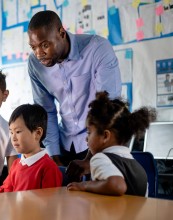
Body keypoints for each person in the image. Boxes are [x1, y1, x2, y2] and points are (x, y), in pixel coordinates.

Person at [27, 10, 122, 182]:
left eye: (45, 45)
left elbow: (108, 107)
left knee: (98, 206)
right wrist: (53, 155)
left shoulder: (97, 49)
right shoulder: (35, 64)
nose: (39, 53)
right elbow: (46, 111)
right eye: (33, 47)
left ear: (61, 33)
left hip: (98, 144)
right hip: (63, 145)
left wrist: (90, 159)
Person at [66, 91, 156, 196]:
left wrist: (84, 185)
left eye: (89, 132)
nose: (86, 139)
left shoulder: (100, 158)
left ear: (105, 136)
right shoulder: (138, 167)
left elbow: (117, 185)